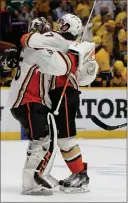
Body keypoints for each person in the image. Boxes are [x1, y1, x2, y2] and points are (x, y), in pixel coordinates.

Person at [21, 14, 99, 193]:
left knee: (65, 138)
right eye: (61, 22)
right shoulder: (63, 42)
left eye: (65, 25)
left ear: (72, 29)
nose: (60, 25)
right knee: (63, 137)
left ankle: (80, 175)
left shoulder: (65, 44)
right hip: (60, 93)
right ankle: (78, 174)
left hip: (64, 93)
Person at [8, 17, 84, 195]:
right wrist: (74, 57)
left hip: (26, 100)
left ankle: (37, 176)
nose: (54, 32)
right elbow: (62, 67)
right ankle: (32, 181)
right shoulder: (40, 49)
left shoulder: (36, 48)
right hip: (29, 100)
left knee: (43, 139)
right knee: (43, 140)